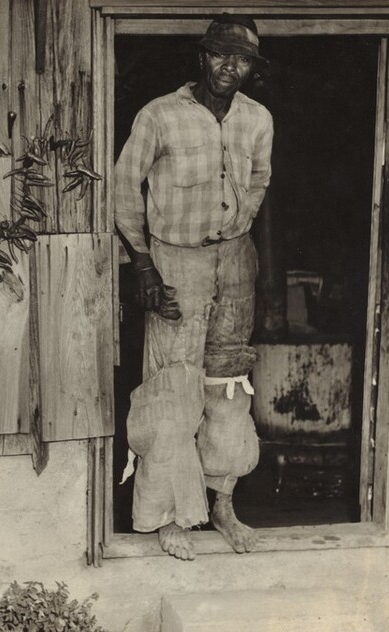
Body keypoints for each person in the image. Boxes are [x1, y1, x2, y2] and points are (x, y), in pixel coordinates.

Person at [113, 13, 274, 560]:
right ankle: (167, 518)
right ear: (201, 58)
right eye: (221, 55)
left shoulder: (257, 119)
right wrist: (143, 265)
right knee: (170, 388)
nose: (232, 67)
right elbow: (123, 189)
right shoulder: (160, 115)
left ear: (252, 67)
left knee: (228, 387)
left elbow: (259, 180)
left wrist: (239, 239)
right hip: (174, 261)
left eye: (243, 59)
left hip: (234, 261)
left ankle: (224, 505)